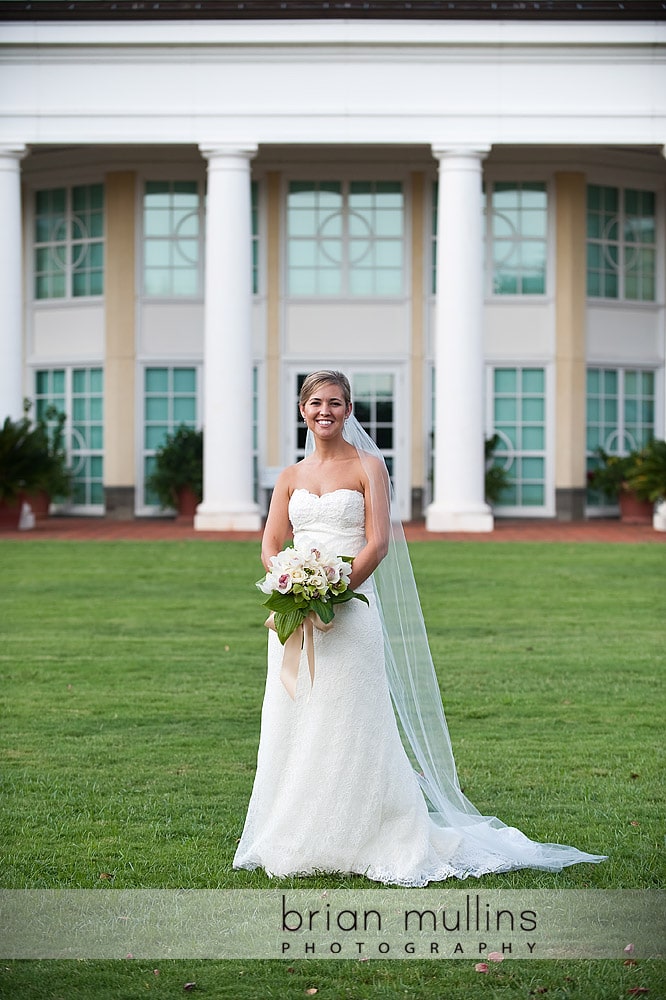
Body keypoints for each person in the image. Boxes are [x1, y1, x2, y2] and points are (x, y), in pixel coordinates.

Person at [233, 370, 606, 886]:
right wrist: (295, 588)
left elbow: (377, 543)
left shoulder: (369, 466)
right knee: (296, 722)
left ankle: (370, 832)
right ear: (302, 410)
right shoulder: (289, 478)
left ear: (348, 409)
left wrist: (332, 593)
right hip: (295, 619)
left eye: (336, 403)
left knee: (353, 722)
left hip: (350, 610)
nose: (326, 411)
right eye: (316, 402)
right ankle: (300, 832)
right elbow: (271, 543)